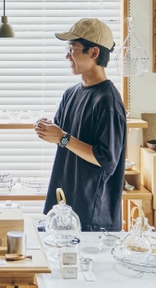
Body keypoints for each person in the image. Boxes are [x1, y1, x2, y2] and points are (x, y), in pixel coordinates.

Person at [35, 18, 126, 231]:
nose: (67, 55)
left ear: (93, 53)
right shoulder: (71, 94)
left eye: (72, 48)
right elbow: (63, 137)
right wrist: (47, 129)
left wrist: (62, 137)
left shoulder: (108, 101)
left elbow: (105, 160)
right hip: (65, 206)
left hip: (92, 216)